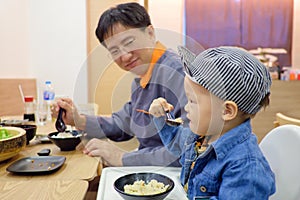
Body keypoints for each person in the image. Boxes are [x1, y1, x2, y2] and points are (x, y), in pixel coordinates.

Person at [53, 2, 187, 167]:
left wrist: (122, 158)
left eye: (129, 42)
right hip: (152, 168)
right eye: (114, 51)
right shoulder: (143, 76)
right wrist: (79, 120)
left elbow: (190, 147)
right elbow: (124, 122)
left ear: (150, 33)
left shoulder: (176, 72)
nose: (124, 56)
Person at [149, 46, 276, 199]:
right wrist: (161, 118)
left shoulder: (246, 167)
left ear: (227, 111)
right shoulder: (203, 137)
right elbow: (177, 142)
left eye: (192, 101)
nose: (186, 107)